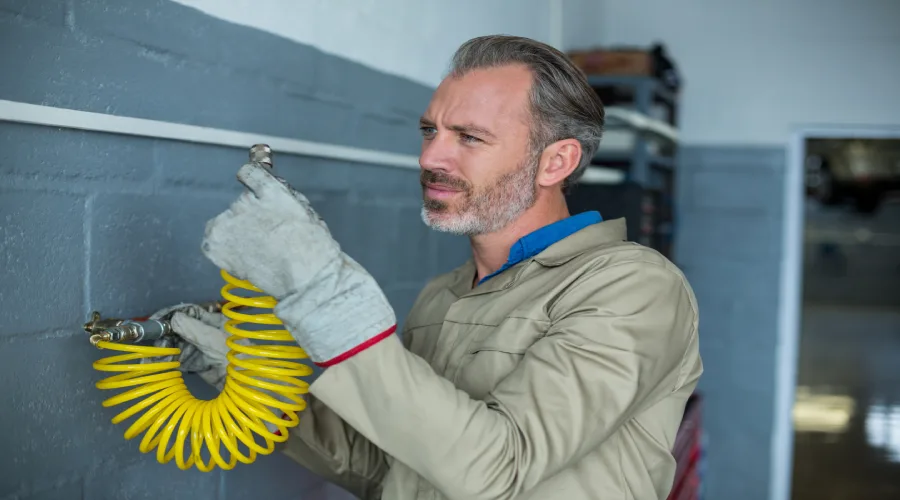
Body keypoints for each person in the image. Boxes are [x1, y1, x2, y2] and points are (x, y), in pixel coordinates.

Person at [156, 35, 702, 500]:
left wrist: (325, 293)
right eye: (429, 132)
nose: (430, 158)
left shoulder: (633, 287)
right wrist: (252, 374)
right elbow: (383, 465)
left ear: (555, 162)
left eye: (469, 137)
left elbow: (498, 469)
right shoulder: (444, 295)